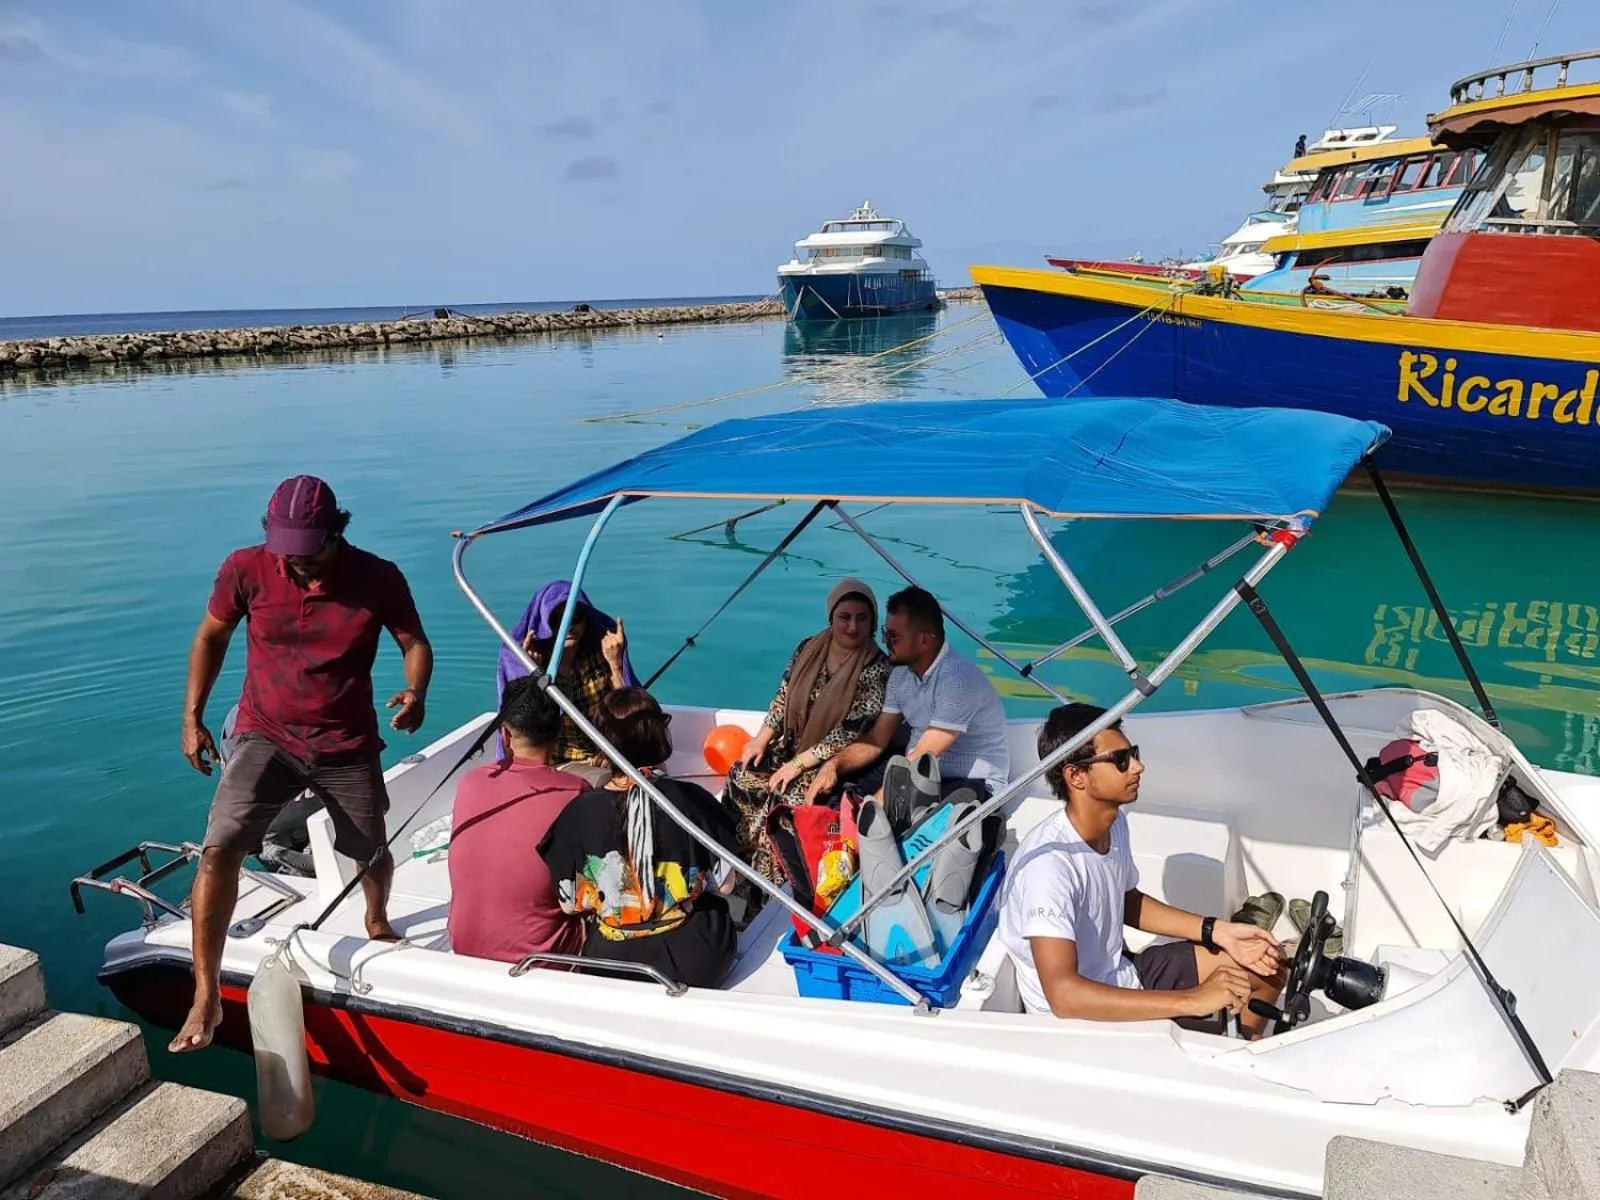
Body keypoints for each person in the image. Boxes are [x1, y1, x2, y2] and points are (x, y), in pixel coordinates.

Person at [175, 475, 433, 1053]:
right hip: (265, 732)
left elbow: (414, 642)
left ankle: (376, 919)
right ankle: (205, 993)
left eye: (308, 553)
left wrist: (416, 692)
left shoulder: (379, 577)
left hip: (346, 741)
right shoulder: (246, 567)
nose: (295, 565)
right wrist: (192, 717)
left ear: (336, 533)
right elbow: (211, 636)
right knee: (220, 845)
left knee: (370, 847)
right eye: (285, 553)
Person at [997, 703, 1285, 1037]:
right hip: (1081, 1027)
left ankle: (1240, 1059)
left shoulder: (1113, 822)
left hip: (1121, 971)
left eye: (1133, 753)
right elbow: (1064, 997)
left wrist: (1217, 931)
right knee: (1214, 1002)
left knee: (1267, 969)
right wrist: (1192, 1001)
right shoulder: (1048, 869)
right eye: (1121, 761)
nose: (1138, 767)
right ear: (1076, 775)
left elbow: (1124, 901)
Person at [538, 688, 739, 989]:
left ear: (603, 746)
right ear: (660, 736)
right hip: (694, 962)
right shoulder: (693, 802)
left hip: (609, 965)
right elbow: (725, 886)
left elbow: (569, 905)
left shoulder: (577, 813)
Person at [725, 578, 891, 881]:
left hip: (830, 762)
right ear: (831, 617)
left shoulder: (876, 667)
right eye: (844, 617)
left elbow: (848, 733)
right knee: (742, 775)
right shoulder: (808, 648)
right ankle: (736, 861)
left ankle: (765, 888)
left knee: (784, 803)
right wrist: (762, 738)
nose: (852, 627)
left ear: (873, 622)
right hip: (792, 745)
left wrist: (797, 765)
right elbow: (784, 695)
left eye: (862, 618)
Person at [805, 585, 1008, 804]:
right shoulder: (900, 676)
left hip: (971, 783)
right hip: (921, 773)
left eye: (893, 636)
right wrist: (833, 765)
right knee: (835, 793)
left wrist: (873, 807)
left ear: (923, 641)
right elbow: (877, 738)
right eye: (885, 632)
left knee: (890, 813)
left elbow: (924, 756)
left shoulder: (958, 680)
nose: (885, 641)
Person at [446, 676, 585, 965]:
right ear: (559, 732)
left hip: (463, 947)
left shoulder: (470, 782)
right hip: (536, 961)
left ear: (505, 736)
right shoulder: (576, 792)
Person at [497, 580, 637, 779]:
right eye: (558, 620)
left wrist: (616, 665)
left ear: (586, 620)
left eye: (575, 617)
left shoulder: (599, 656)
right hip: (559, 764)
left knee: (654, 769)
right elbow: (525, 728)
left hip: (607, 754)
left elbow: (627, 709)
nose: (568, 627)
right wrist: (530, 673)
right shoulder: (537, 663)